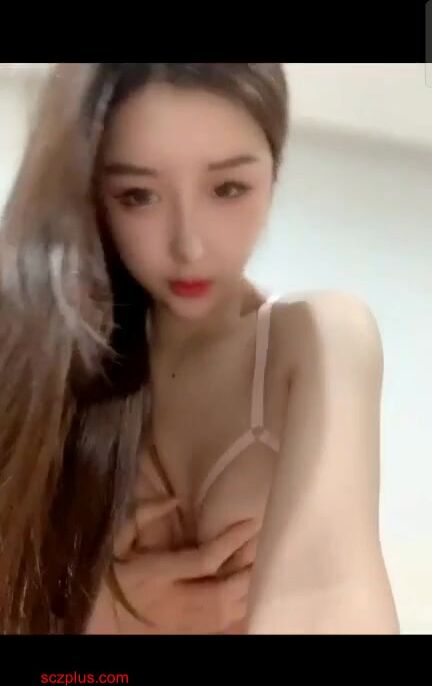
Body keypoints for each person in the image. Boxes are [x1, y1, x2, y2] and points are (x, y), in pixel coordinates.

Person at [0, 63, 399, 635]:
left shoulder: (316, 339)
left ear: (274, 170)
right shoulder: (38, 359)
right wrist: (112, 616)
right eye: (138, 195)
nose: (189, 245)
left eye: (228, 188)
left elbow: (330, 595)